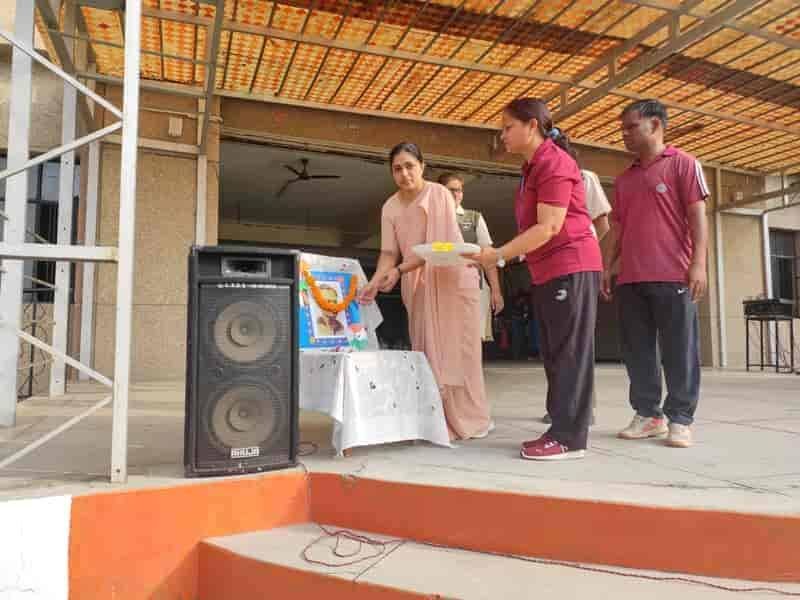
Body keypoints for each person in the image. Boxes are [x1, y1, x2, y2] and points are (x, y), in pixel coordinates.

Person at [470, 98, 602, 461]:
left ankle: (569, 438)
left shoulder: (554, 163)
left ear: (532, 126)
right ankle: (561, 429)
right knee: (556, 352)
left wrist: (498, 255)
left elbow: (549, 227)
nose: (502, 136)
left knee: (569, 353)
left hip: (570, 266)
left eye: (507, 128)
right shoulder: (532, 167)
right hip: (548, 270)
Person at [359, 142, 492, 441]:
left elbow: (439, 247)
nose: (404, 173)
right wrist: (374, 282)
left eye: (410, 166)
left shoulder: (439, 194)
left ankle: (471, 420)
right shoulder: (389, 207)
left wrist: (399, 270)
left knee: (461, 353)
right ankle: (435, 419)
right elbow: (388, 253)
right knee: (427, 352)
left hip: (451, 279)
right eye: (397, 169)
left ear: (422, 166)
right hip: (416, 284)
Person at [602, 99, 709, 449]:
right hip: (631, 278)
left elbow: (697, 216)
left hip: (674, 274)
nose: (625, 134)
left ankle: (680, 419)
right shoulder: (624, 179)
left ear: (656, 125)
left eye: (632, 127)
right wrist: (607, 266)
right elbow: (618, 228)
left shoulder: (684, 164)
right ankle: (649, 415)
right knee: (638, 352)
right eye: (623, 129)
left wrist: (698, 264)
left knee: (680, 350)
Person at [541, 168, 612, 424]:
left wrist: (582, 248)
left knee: (576, 341)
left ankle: (582, 408)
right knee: (555, 343)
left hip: (577, 265)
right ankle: (560, 406)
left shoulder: (583, 177)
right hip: (549, 268)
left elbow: (602, 224)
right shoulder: (539, 176)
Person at [438, 173, 505, 340]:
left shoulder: (474, 217)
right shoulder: (431, 218)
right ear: (440, 192)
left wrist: (496, 291)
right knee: (446, 336)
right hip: (441, 285)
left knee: (472, 337)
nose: (456, 194)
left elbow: (488, 256)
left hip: (473, 286)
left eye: (459, 190)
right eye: (451, 190)